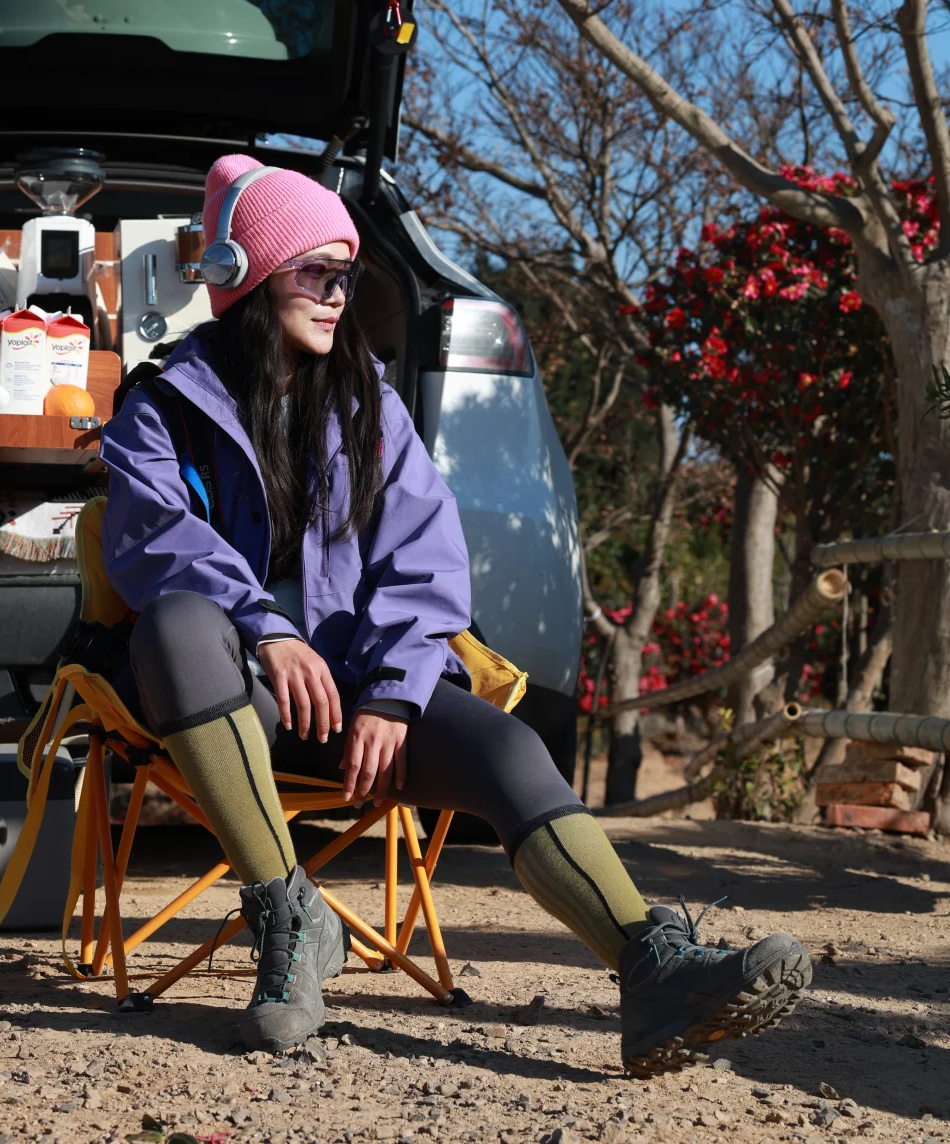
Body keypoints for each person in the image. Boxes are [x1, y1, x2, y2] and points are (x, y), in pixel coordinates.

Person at [100, 154, 812, 1073]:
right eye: (316, 272)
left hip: (360, 700)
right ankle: (290, 918)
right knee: (177, 624)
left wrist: (394, 694)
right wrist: (266, 629)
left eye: (346, 275)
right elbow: (153, 541)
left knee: (510, 748)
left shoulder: (371, 406)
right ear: (250, 275)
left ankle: (654, 970)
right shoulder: (160, 405)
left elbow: (426, 561)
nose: (338, 295)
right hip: (229, 705)